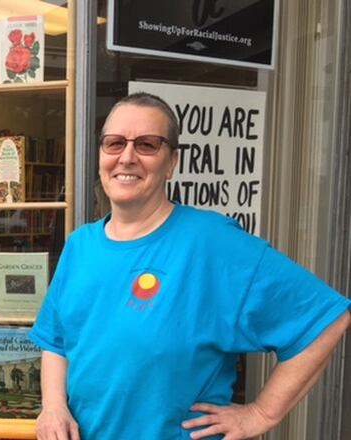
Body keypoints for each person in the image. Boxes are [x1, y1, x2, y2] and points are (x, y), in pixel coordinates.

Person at [30, 92, 350, 440]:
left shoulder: (212, 242)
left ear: (171, 163)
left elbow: (326, 320)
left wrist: (262, 413)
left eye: (147, 144)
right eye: (115, 143)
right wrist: (53, 406)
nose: (127, 157)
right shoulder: (80, 246)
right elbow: (56, 341)